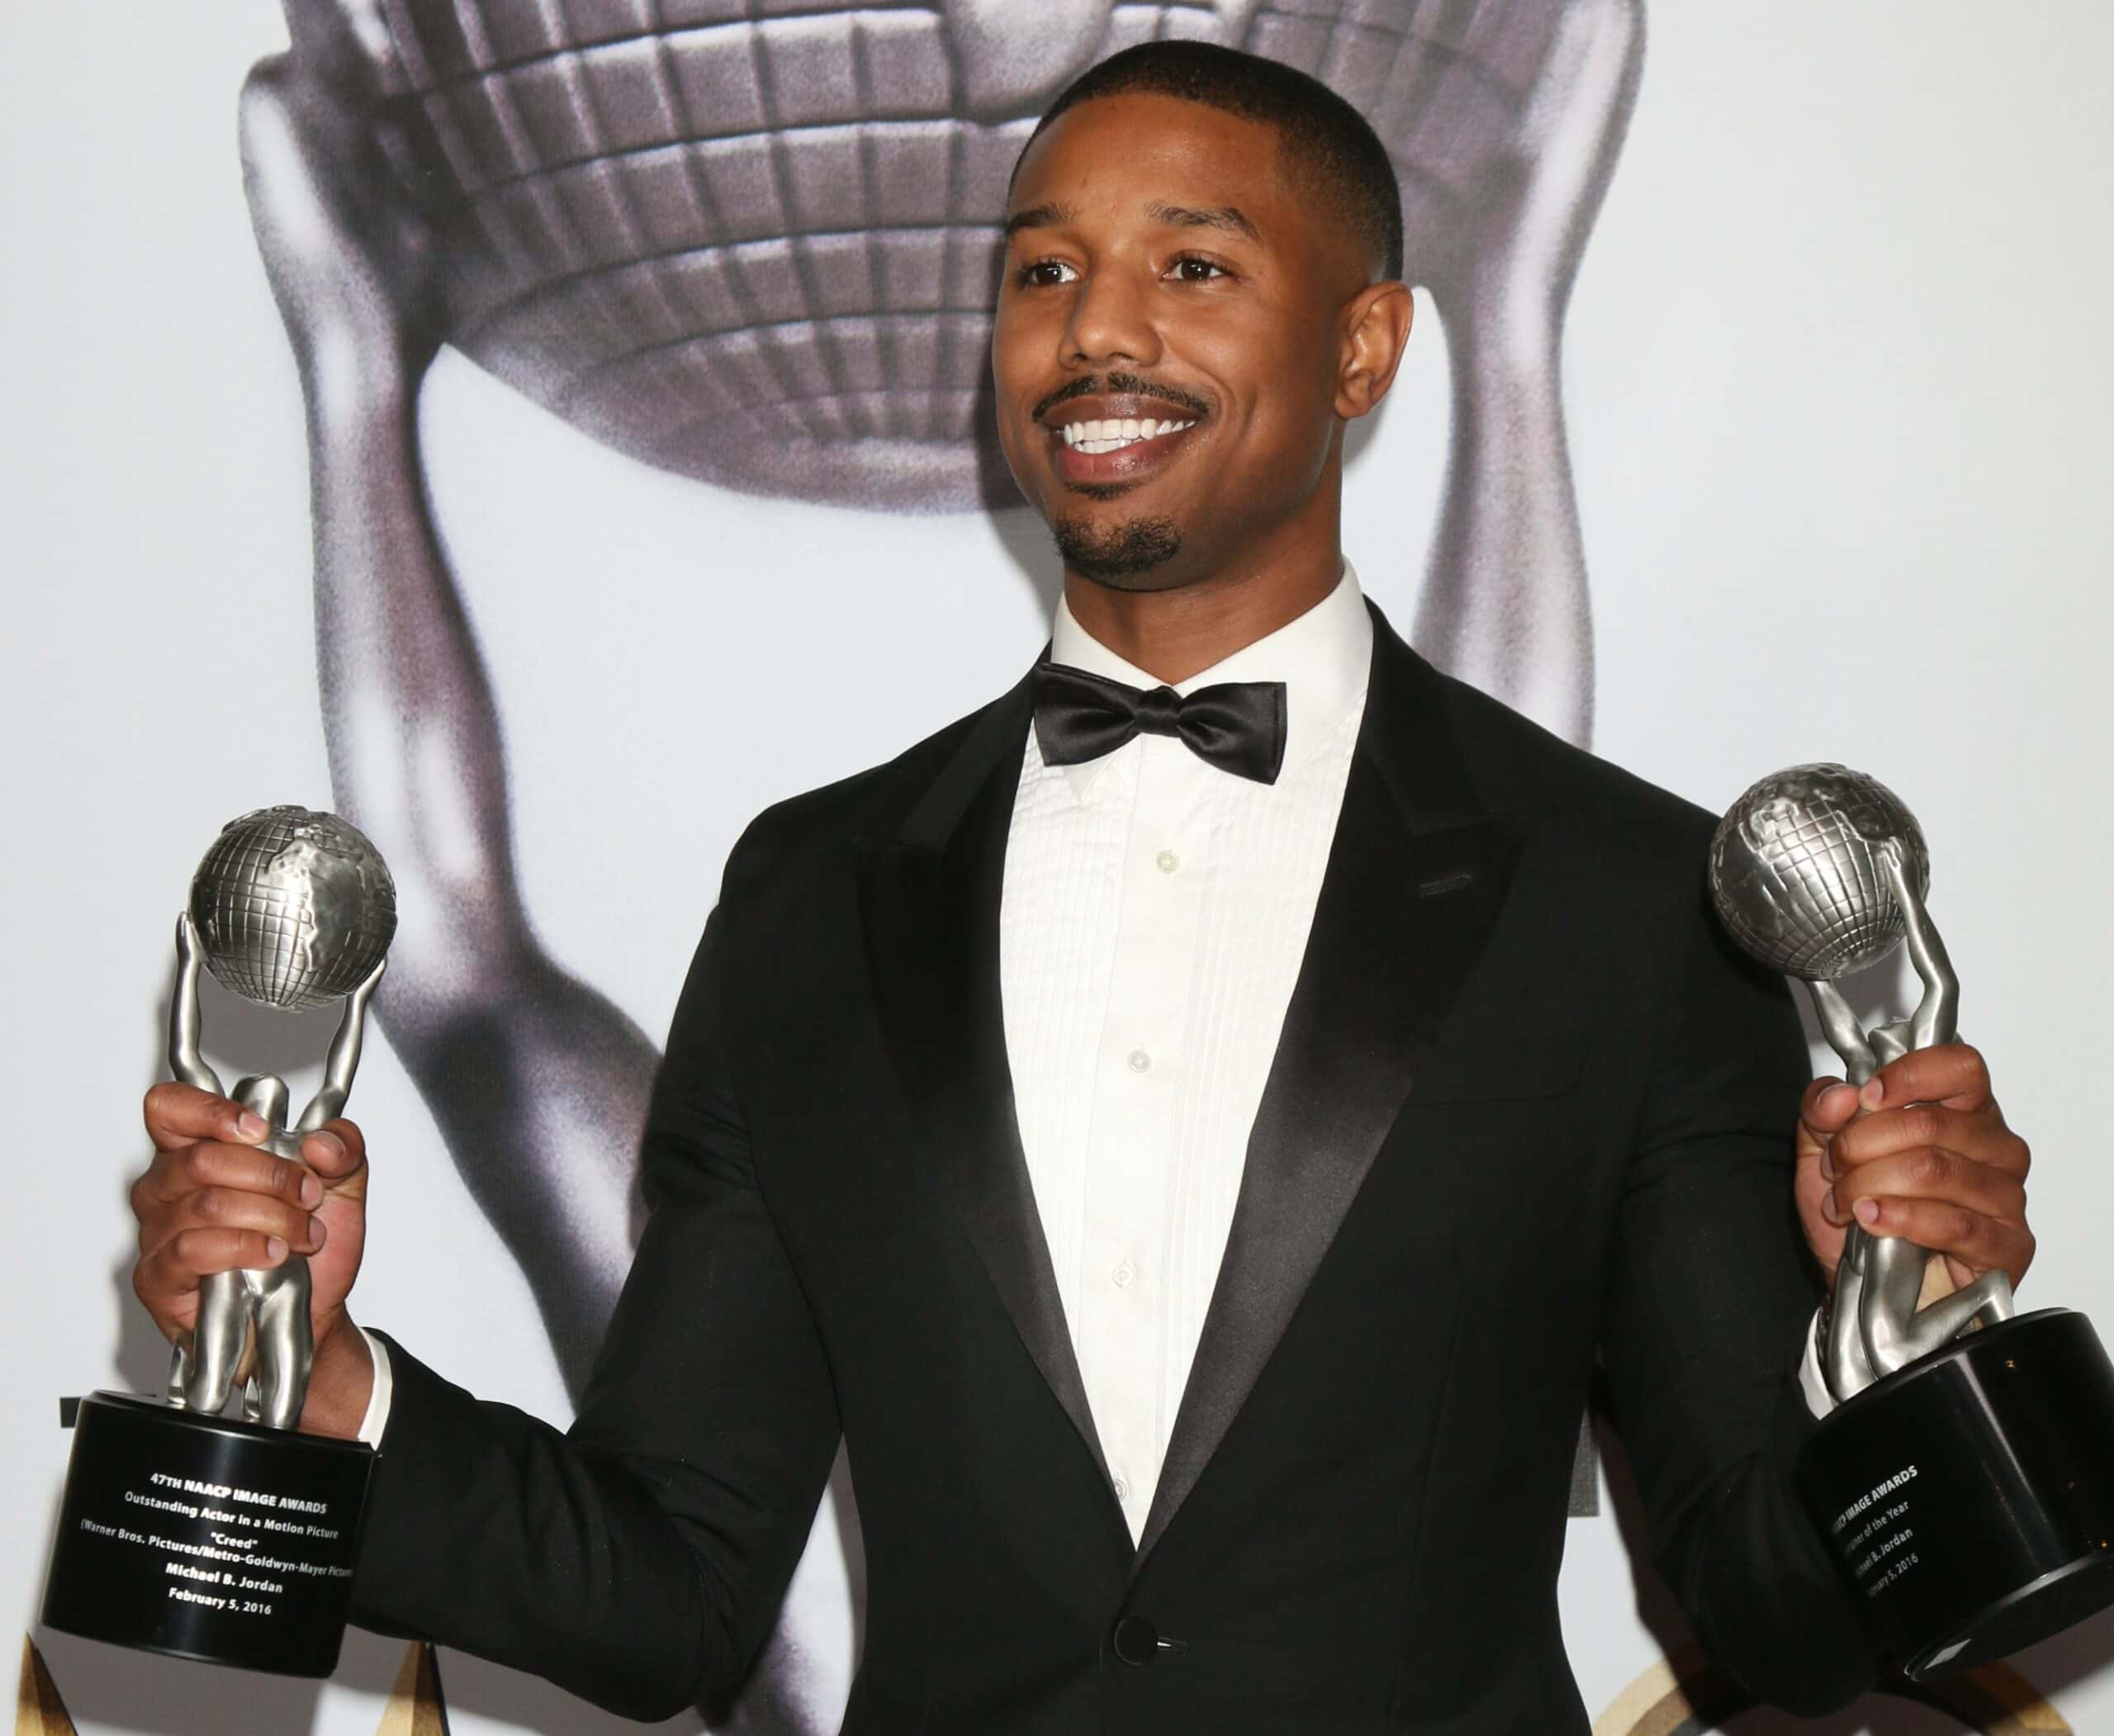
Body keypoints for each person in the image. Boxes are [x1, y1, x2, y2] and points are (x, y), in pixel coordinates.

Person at [130, 42, 2036, 1734]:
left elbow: (1775, 1620)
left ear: (1362, 347)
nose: (1095, 332)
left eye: (1191, 267)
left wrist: (1893, 1345)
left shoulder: (1617, 894)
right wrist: (324, 1385)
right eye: (1043, 272)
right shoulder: (812, 894)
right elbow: (666, 1585)